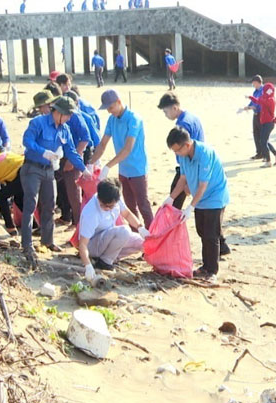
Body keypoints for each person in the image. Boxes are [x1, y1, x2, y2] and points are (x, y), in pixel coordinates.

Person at [20, 96, 91, 267]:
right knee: (31, 204)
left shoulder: (64, 129)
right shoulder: (38, 122)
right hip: (32, 168)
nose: (68, 118)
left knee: (50, 205)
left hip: (49, 171)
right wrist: (43, 151)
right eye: (67, 115)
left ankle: (48, 241)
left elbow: (71, 151)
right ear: (57, 112)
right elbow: (27, 141)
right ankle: (27, 244)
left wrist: (83, 168)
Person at [165, 127, 230, 283]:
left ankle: (212, 271)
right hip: (199, 199)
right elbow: (183, 179)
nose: (177, 154)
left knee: (211, 234)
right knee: (201, 231)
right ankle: (205, 266)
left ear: (187, 145)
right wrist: (171, 198)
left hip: (214, 196)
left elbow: (203, 185)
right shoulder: (183, 156)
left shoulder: (204, 154)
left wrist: (190, 207)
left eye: (177, 150)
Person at [91, 89, 154, 228]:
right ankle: (137, 237)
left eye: (111, 107)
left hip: (137, 169)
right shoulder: (112, 120)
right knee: (129, 205)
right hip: (123, 170)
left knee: (143, 204)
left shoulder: (134, 119)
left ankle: (153, 237)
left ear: (119, 102)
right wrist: (91, 163)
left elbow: (127, 148)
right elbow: (102, 144)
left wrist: (108, 166)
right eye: (107, 108)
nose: (109, 111)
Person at [80, 180, 147, 282]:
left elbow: (127, 214)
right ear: (98, 198)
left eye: (110, 206)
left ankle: (110, 256)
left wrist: (140, 227)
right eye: (103, 205)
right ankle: (105, 262)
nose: (107, 208)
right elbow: (83, 244)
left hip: (109, 236)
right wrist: (88, 265)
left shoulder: (116, 200)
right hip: (93, 245)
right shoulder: (91, 213)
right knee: (124, 231)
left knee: (143, 243)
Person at [59, 90, 99, 228]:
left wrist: (74, 159)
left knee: (74, 194)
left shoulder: (77, 117)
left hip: (75, 156)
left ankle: (79, 225)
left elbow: (87, 139)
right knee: (63, 191)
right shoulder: (58, 115)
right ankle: (68, 218)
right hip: (61, 155)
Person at [157, 92, 203, 211]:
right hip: (195, 164)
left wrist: (187, 179)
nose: (166, 115)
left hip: (188, 165)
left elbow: (186, 149)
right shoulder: (192, 117)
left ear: (175, 108)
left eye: (166, 112)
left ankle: (173, 228)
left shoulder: (183, 124)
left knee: (174, 203)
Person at [242, 75, 276, 161]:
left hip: (265, 119)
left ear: (258, 82)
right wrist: (249, 105)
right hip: (260, 117)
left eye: (254, 83)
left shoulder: (267, 95)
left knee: (263, 139)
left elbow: (259, 103)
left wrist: (252, 105)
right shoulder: (258, 93)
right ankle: (266, 154)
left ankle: (267, 157)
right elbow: (256, 101)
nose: (253, 84)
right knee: (259, 136)